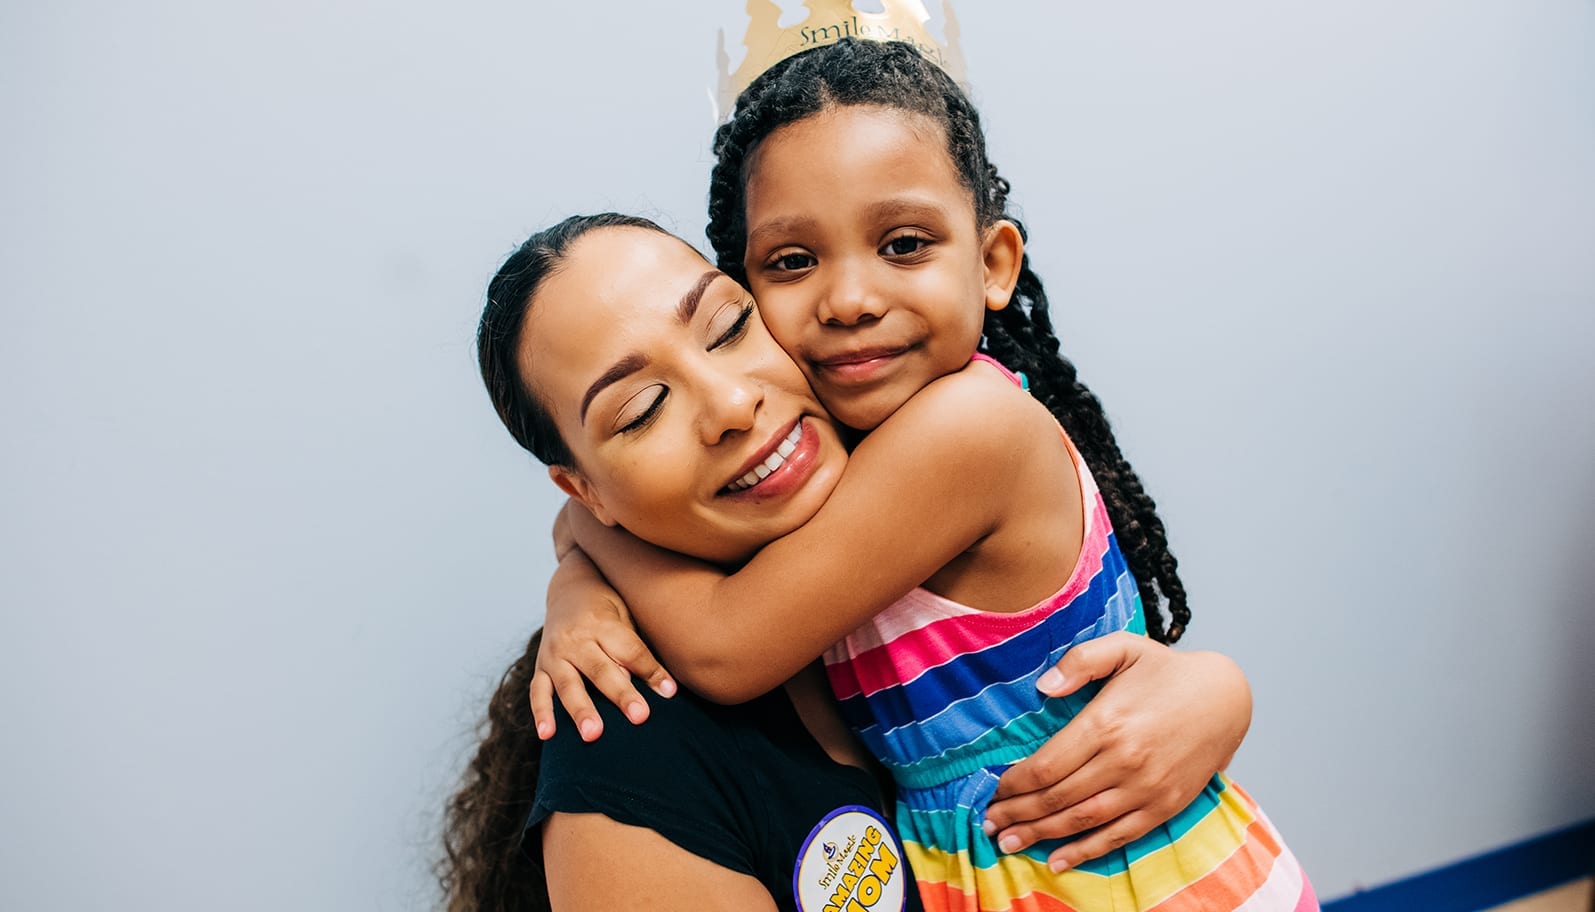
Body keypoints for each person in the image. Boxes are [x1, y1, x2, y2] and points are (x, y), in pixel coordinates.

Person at [539, 39, 1317, 911]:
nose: (849, 299)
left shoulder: (964, 429)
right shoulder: (822, 458)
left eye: (903, 244)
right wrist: (577, 582)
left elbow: (726, 647)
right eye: (792, 263)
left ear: (991, 265)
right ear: (747, 291)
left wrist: (587, 541)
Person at [442, 213, 924, 912]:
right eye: (640, 410)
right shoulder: (632, 751)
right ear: (584, 491)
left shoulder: (946, 476)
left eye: (729, 328)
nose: (732, 403)